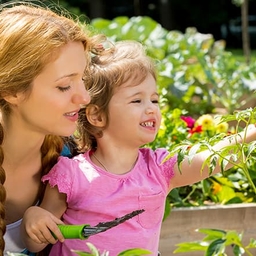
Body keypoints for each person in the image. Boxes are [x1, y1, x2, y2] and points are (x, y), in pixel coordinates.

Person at [21, 40, 256, 256]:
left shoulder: (160, 169)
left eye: (154, 100)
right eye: (137, 100)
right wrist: (34, 218)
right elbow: (37, 243)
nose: (152, 108)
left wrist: (251, 133)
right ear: (97, 115)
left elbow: (210, 158)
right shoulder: (71, 175)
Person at [0, 1, 106, 255]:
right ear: (13, 90)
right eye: (64, 86)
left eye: (82, 79)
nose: (84, 98)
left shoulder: (71, 159)